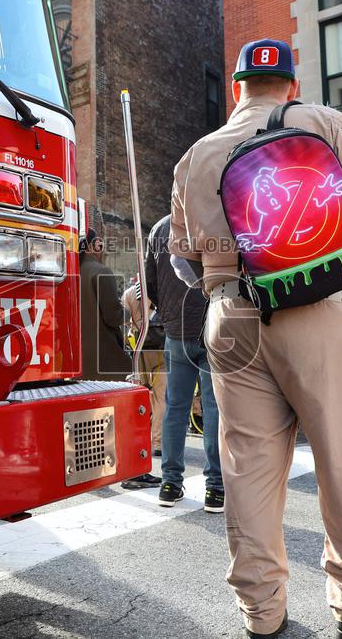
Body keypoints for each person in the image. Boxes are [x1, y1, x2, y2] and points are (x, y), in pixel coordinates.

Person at [169, 38, 342, 638]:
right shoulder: (321, 122)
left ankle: (262, 613)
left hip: (231, 318)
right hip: (314, 307)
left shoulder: (197, 155)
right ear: (291, 86)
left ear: (236, 87)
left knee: (247, 469)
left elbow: (183, 261)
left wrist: (234, 268)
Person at [143, 214, 224, 513]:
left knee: (174, 408)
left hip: (175, 331)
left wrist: (166, 313)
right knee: (214, 407)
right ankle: (215, 487)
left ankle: (170, 483)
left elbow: (148, 282)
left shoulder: (159, 228)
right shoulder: (212, 219)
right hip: (212, 326)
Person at [120, 276, 164, 490]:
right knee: (161, 396)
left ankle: (143, 439)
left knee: (143, 395)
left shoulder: (129, 293)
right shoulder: (159, 289)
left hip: (139, 346)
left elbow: (125, 320)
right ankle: (157, 442)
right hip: (161, 348)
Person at [79, 228, 132, 382]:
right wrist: (127, 312)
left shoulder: (72, 273)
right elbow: (114, 317)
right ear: (90, 247)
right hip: (107, 362)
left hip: (81, 366)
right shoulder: (101, 271)